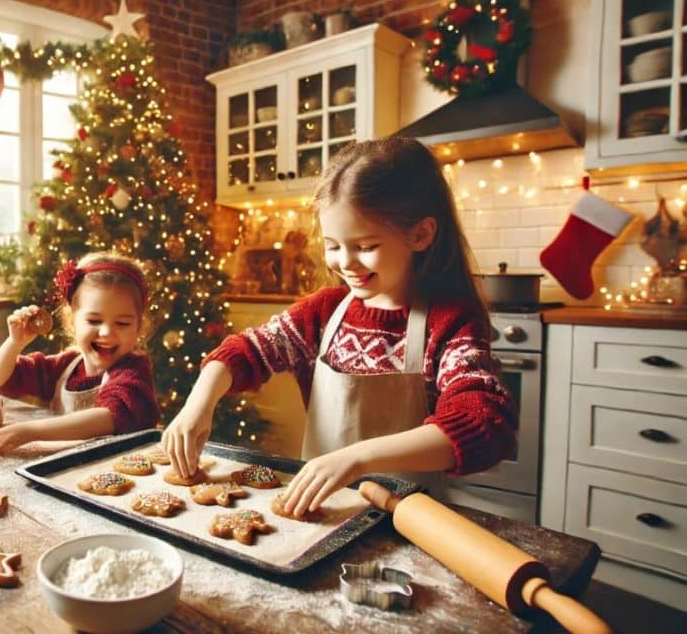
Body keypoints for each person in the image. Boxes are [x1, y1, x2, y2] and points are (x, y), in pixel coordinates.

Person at [163, 137, 517, 518]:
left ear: (420, 234)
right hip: (320, 517)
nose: (345, 262)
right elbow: (244, 351)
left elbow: (484, 423)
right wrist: (197, 405)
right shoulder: (323, 313)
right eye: (333, 245)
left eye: (364, 246)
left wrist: (357, 458)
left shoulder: (449, 321)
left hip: (408, 524)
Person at [0, 252, 161, 454]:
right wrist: (14, 343)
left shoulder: (133, 371)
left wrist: (31, 430)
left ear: (139, 327)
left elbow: (110, 416)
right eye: (94, 321)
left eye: (122, 323)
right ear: (72, 321)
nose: (106, 332)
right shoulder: (65, 366)